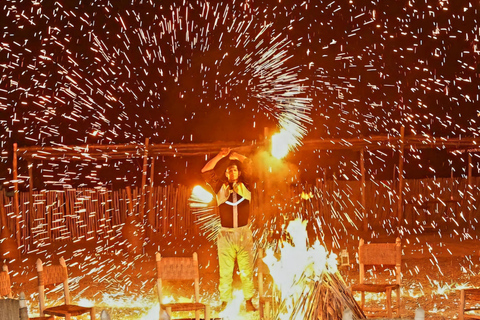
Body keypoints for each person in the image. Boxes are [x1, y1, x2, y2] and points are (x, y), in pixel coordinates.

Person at [201, 148, 256, 312]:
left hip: (244, 233)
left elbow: (252, 164)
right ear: (225, 174)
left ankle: (249, 300)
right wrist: (220, 156)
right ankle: (224, 301)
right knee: (225, 271)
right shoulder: (219, 187)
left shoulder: (246, 184)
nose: (231, 172)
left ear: (238, 172)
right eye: (228, 170)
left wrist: (236, 156)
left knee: (246, 269)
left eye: (234, 169)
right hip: (225, 234)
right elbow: (205, 171)